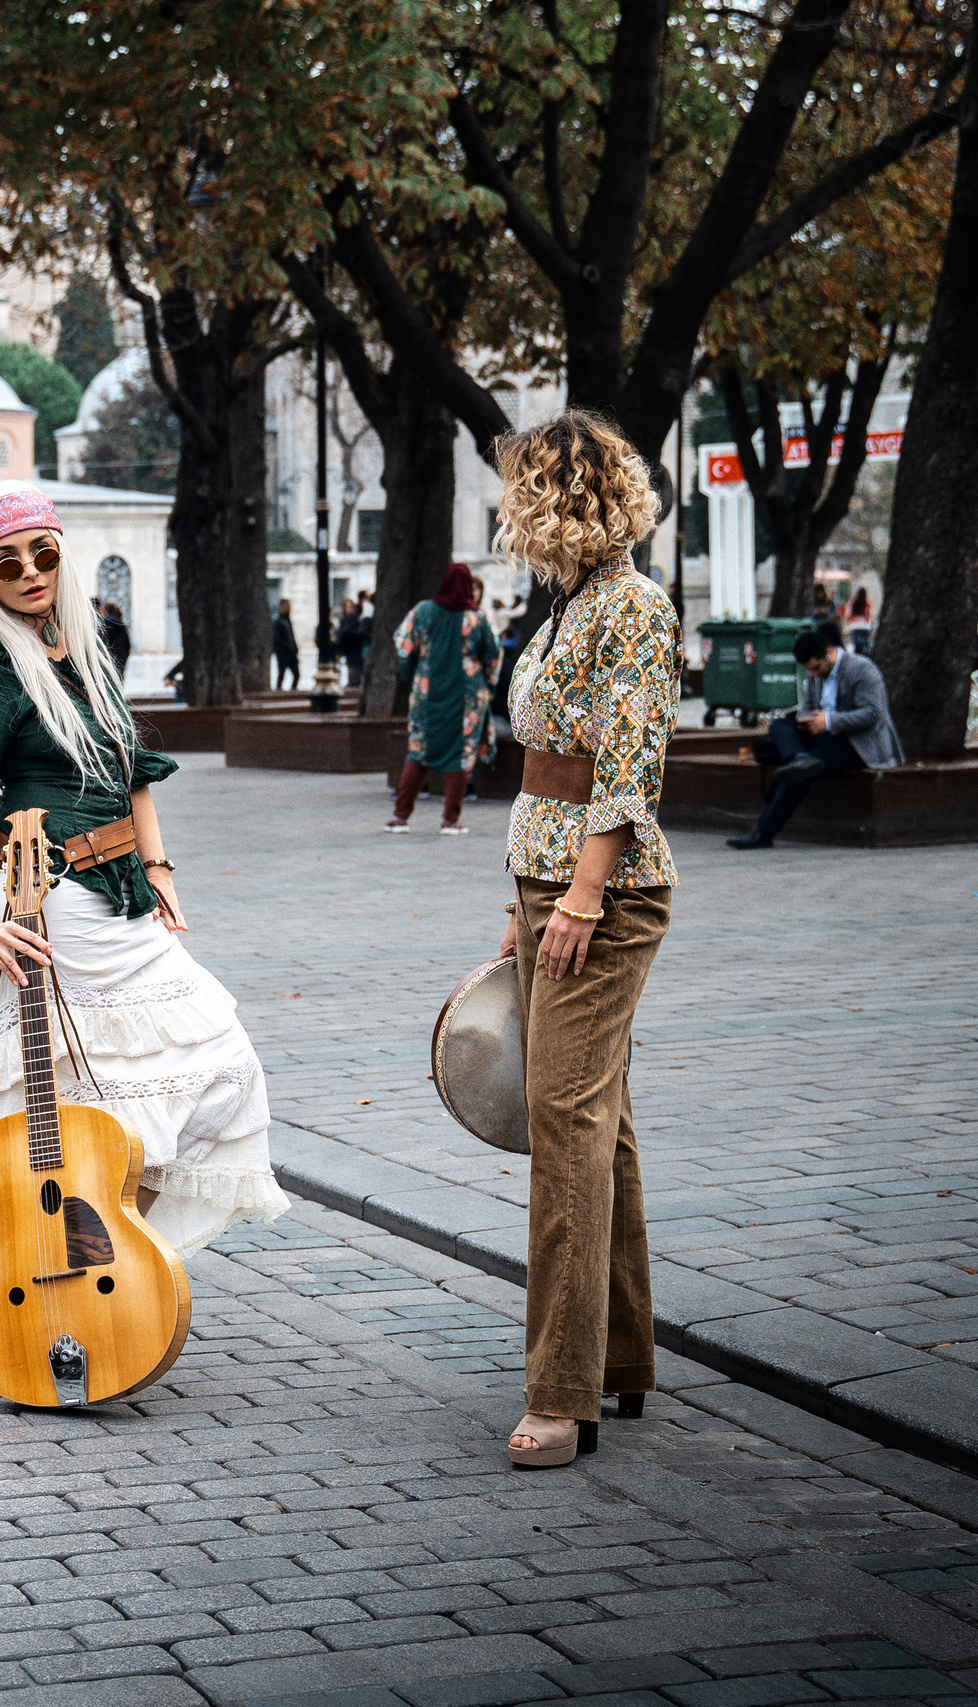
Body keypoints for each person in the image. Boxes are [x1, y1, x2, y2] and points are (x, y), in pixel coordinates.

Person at [0, 479, 288, 1256]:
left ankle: (111, 1250)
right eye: (8, 563)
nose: (31, 571)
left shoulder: (82, 646)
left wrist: (160, 868)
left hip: (123, 894)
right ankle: (82, 1262)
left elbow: (131, 768)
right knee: (100, 1093)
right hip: (52, 903)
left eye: (43, 553)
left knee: (216, 1065)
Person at [491, 410, 680, 1472]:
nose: (510, 513)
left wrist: (575, 901)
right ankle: (622, 1357)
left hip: (602, 893)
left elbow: (627, 774)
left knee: (562, 1127)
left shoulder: (633, 608)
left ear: (557, 496)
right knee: (595, 1123)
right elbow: (545, 772)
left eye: (520, 491)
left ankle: (559, 1394)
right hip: (551, 878)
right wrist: (524, 898)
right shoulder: (573, 605)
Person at [726, 626, 905, 849]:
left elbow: (873, 713)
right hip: (823, 736)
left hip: (858, 742)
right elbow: (808, 707)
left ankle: (763, 832)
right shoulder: (816, 674)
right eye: (810, 670)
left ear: (829, 653)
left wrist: (829, 721)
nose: (814, 674)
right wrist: (806, 720)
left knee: (801, 773)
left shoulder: (862, 669)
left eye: (817, 668)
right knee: (780, 726)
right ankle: (799, 756)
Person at [388, 564, 502, 834]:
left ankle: (400, 817)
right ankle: (451, 820)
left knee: (418, 750)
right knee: (461, 755)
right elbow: (494, 656)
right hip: (466, 699)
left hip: (427, 695)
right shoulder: (478, 618)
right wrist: (487, 683)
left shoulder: (424, 610)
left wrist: (414, 668)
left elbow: (402, 643)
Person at [98, 600, 132, 679]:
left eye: (101, 612)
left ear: (105, 611)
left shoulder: (104, 624)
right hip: (119, 666)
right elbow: (127, 647)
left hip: (107, 667)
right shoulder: (121, 625)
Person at [272, 598, 300, 691]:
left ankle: (293, 690)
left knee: (296, 674)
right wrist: (286, 647)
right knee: (281, 673)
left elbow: (291, 635)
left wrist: (295, 647)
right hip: (283, 652)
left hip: (291, 652)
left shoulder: (287, 620)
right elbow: (276, 638)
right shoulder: (277, 621)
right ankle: (279, 690)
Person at [844, 586, 875, 655]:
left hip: (855, 627)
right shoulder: (868, 604)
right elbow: (870, 616)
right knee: (865, 645)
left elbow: (848, 615)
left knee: (857, 645)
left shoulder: (852, 603)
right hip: (866, 627)